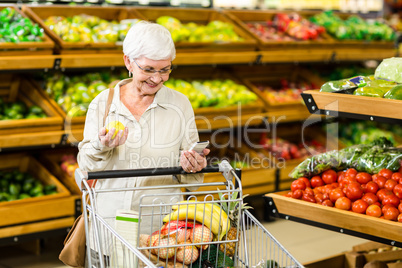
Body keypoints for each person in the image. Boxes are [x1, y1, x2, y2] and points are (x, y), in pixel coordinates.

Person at [77, 21, 209, 264]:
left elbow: (192, 180)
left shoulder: (180, 105)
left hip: (162, 235)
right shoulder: (103, 104)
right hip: (108, 227)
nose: (157, 79)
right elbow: (85, 164)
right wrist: (101, 145)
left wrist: (193, 164)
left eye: (165, 70)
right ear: (128, 61)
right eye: (149, 69)